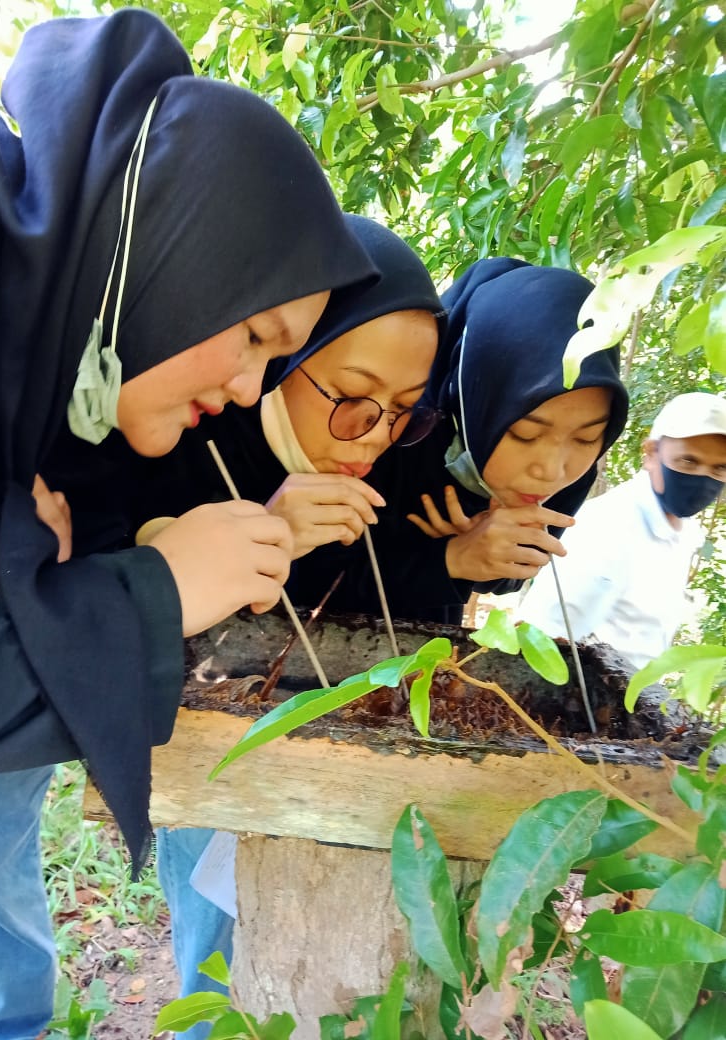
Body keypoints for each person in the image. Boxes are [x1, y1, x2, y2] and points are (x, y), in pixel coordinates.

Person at [0, 9, 378, 1039]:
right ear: (181, 246)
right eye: (254, 334)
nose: (244, 386)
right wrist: (158, 593)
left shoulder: (21, 340)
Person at [86, 213, 444, 1034]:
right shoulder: (186, 421)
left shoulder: (378, 457)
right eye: (352, 398)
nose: (375, 436)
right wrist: (256, 530)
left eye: (406, 413)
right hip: (203, 746)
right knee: (221, 954)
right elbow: (103, 565)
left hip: (329, 747)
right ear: (284, 355)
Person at [291, 257, 629, 625]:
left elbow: (510, 571)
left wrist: (486, 551)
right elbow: (307, 575)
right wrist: (450, 557)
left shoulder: (565, 471)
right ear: (477, 400)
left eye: (587, 437)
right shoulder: (388, 433)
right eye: (525, 434)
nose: (550, 470)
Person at [519, 391, 726, 670]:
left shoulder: (685, 531)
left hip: (632, 700)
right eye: (688, 461)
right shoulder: (608, 527)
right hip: (582, 700)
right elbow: (542, 636)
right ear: (652, 454)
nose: (703, 479)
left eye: (719, 468)